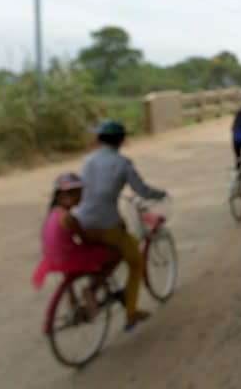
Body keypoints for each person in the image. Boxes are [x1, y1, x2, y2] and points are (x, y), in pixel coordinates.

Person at [75, 118, 167, 331]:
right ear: (122, 140)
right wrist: (160, 194)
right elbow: (142, 190)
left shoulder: (87, 160)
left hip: (83, 221)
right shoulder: (123, 164)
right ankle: (131, 312)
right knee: (135, 262)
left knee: (116, 250)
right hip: (107, 224)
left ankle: (97, 284)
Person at [31, 173, 120, 315]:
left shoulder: (53, 213)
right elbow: (88, 241)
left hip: (52, 258)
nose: (80, 197)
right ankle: (92, 289)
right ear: (61, 197)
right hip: (68, 257)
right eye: (75, 194)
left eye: (79, 193)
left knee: (76, 260)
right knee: (115, 253)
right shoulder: (69, 218)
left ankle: (72, 300)